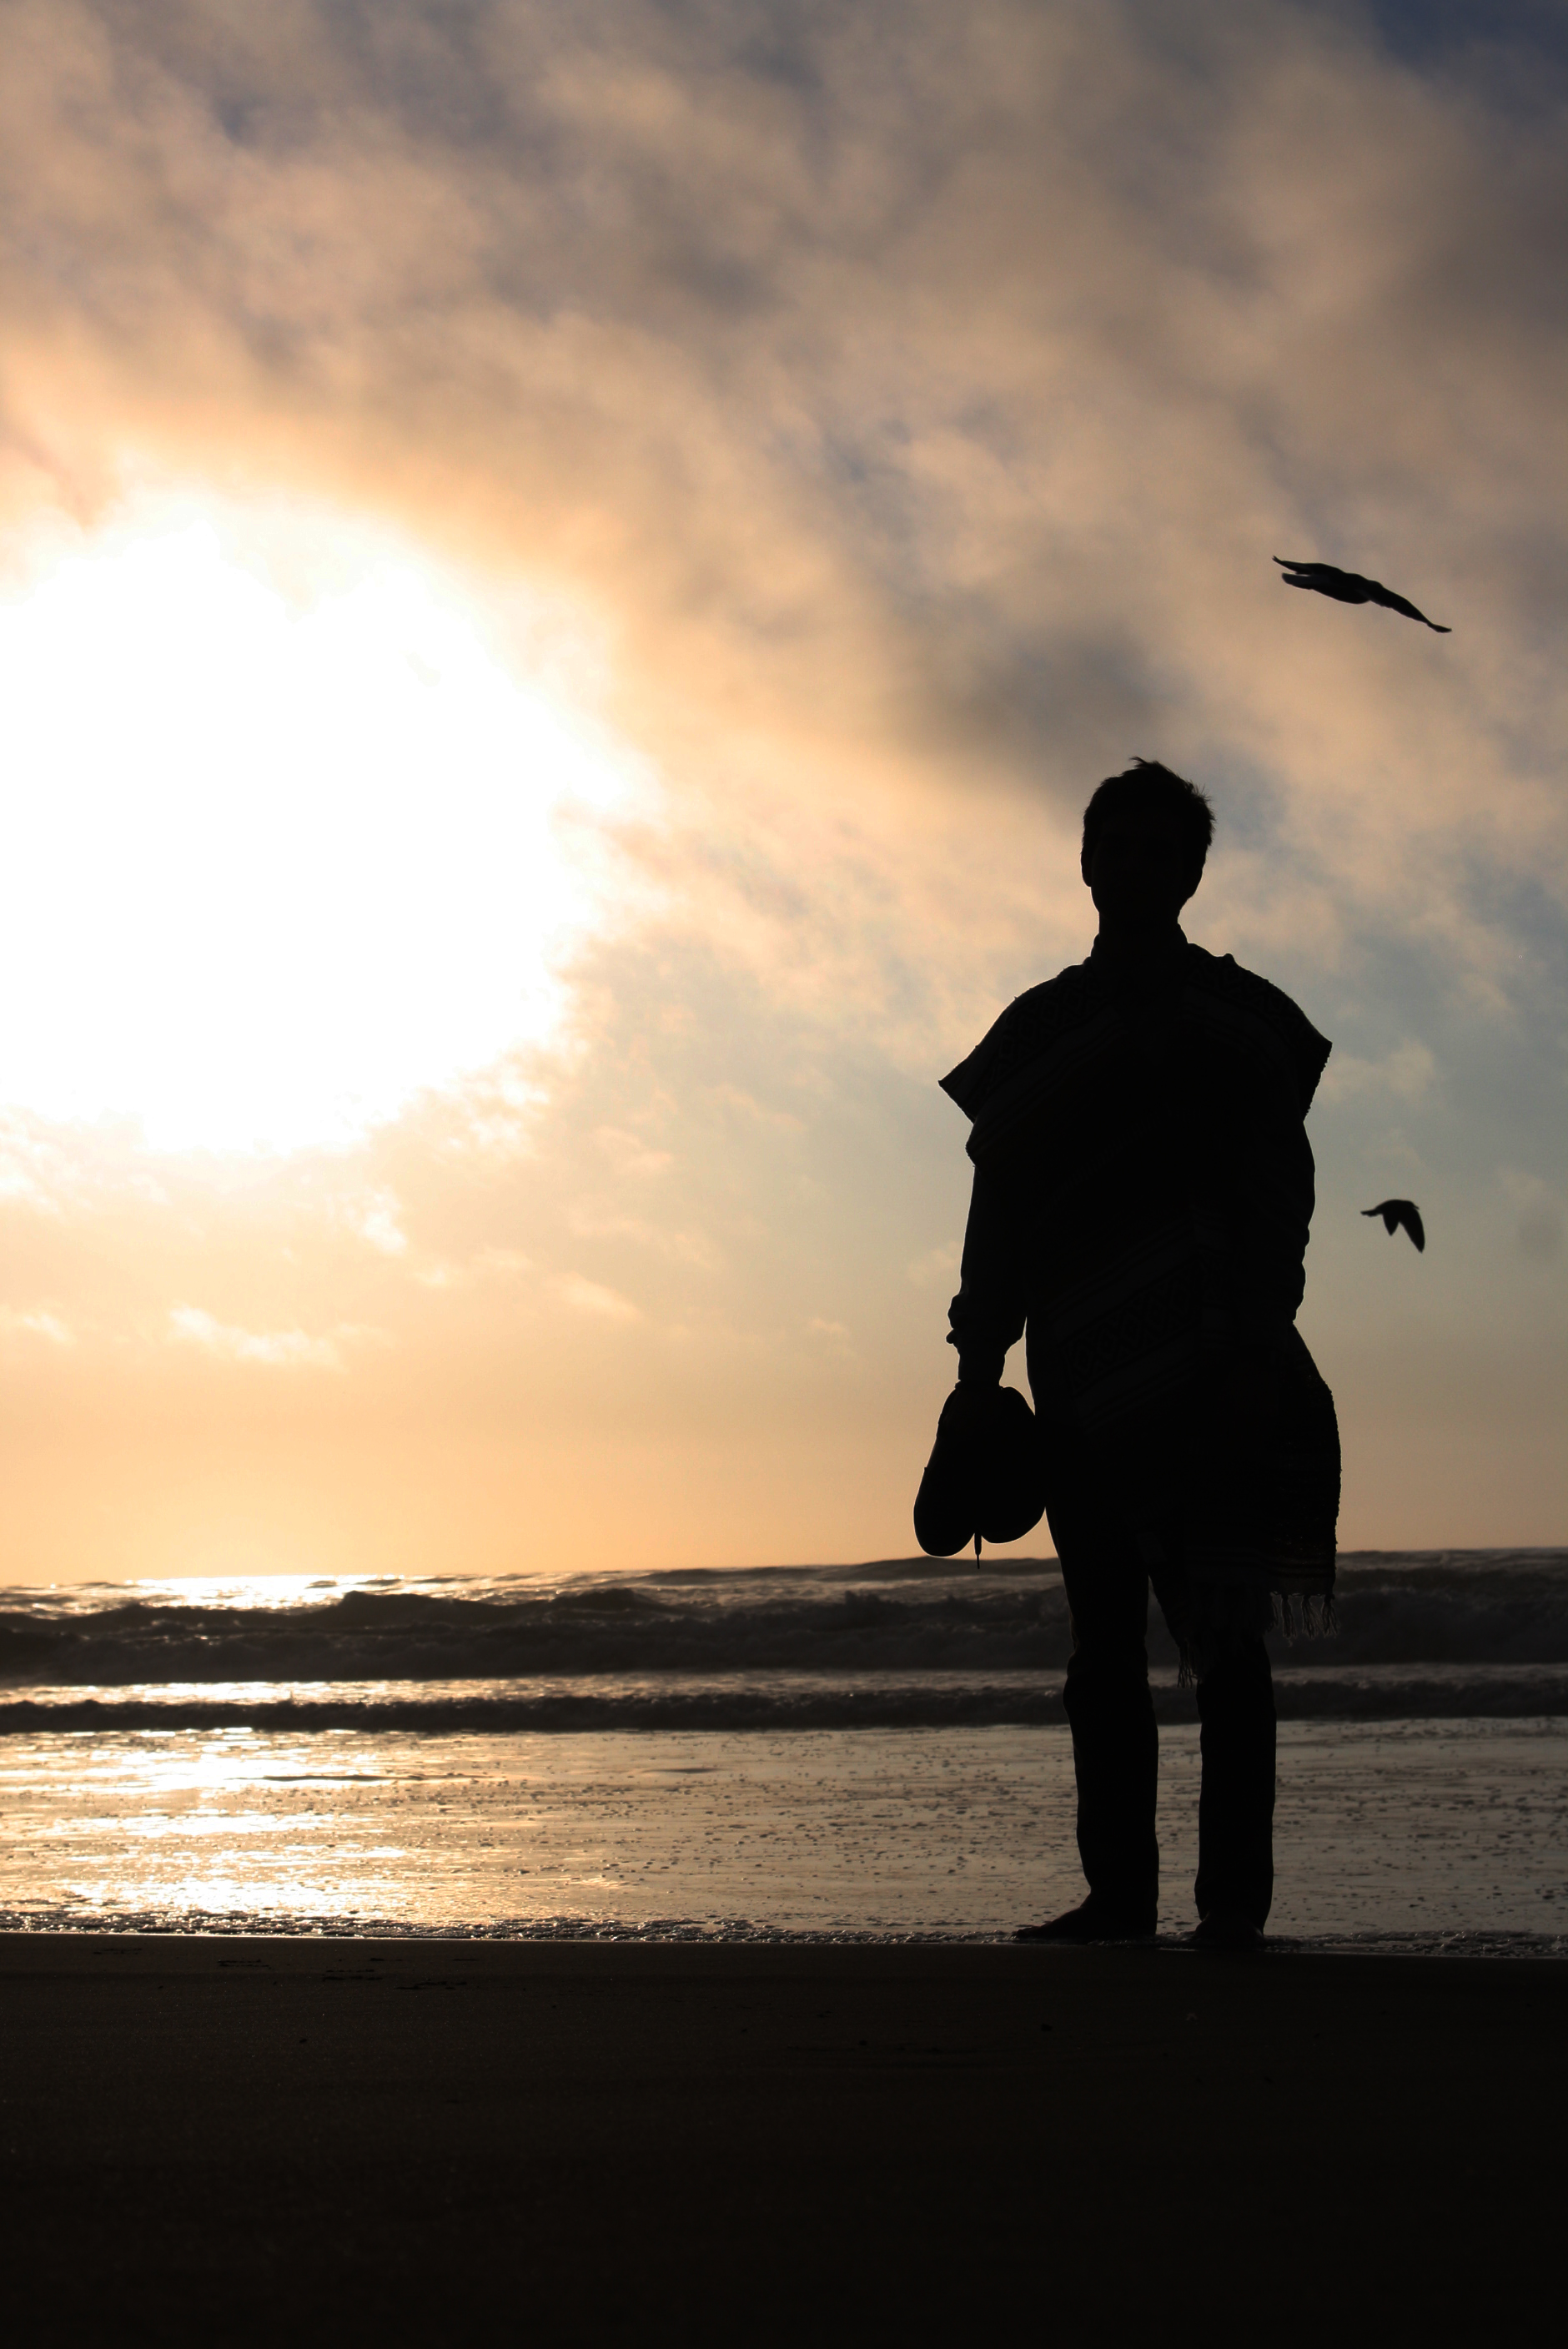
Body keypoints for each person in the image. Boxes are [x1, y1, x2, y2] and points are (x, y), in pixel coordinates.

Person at [937, 759, 1339, 1950]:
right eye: (1118, 849)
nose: (1136, 870)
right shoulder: (1038, 1032)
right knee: (1103, 1649)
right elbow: (997, 1209)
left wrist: (1264, 1330)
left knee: (1228, 1644)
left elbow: (1284, 1196)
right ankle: (1117, 1899)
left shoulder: (1246, 1023)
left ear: (1192, 873)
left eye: (1161, 853)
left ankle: (1234, 1912)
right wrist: (977, 1362)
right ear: (1087, 863)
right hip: (1077, 1377)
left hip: (1220, 1373)